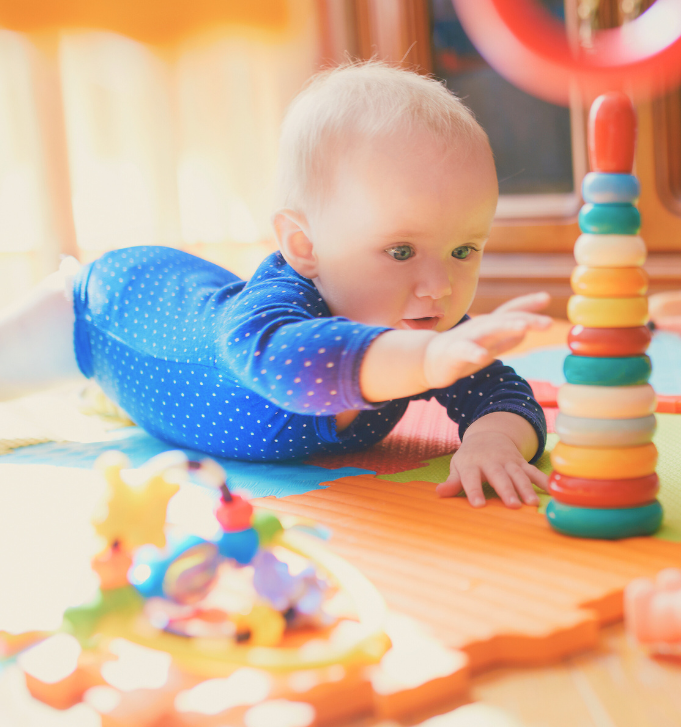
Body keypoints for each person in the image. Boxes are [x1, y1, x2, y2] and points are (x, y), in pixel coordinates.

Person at [0, 62, 553, 509]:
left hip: (191, 313)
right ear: (306, 247)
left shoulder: (422, 324)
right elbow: (290, 368)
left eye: (463, 250)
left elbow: (504, 394)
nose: (438, 286)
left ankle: (102, 396)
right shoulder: (273, 322)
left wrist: (491, 441)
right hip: (106, 307)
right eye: (400, 251)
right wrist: (429, 359)